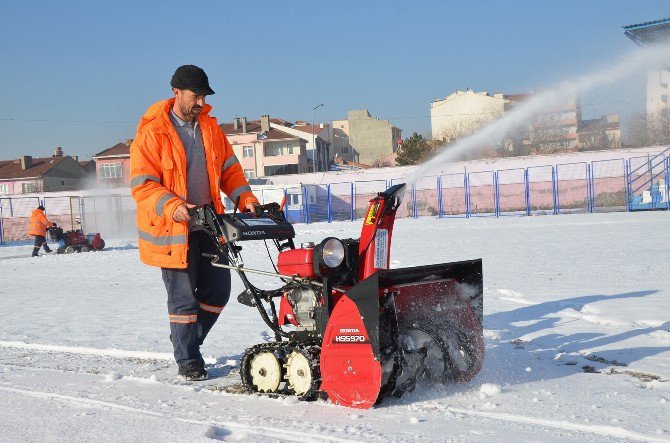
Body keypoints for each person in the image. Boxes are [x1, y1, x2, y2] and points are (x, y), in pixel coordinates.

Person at [130, 65, 260, 381]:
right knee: (184, 298)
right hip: (175, 228)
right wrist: (172, 205)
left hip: (209, 222)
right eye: (195, 95)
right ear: (177, 92)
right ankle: (188, 358)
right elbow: (142, 185)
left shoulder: (210, 128)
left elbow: (230, 170)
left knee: (218, 290)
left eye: (204, 96)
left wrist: (246, 198)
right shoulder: (152, 133)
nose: (200, 102)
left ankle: (186, 341)